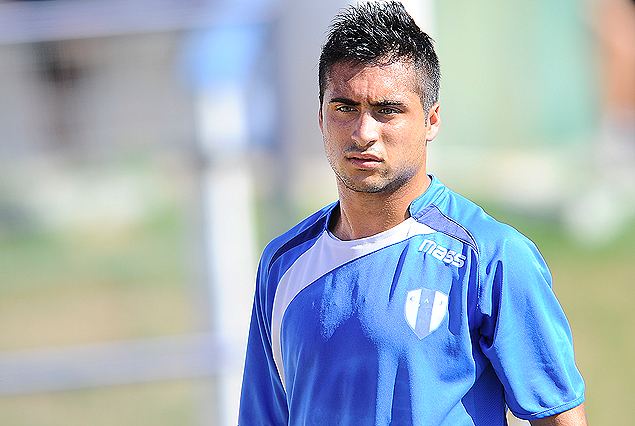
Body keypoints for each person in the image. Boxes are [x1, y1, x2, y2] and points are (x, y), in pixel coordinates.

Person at [238, 1, 587, 425]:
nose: (364, 132)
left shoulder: (491, 256)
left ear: (431, 121)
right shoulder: (283, 263)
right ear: (321, 116)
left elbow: (560, 419)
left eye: (388, 110)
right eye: (345, 107)